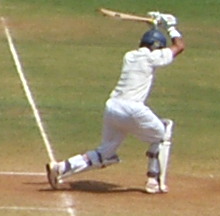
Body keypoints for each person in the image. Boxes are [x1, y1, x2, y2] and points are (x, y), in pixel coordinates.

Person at [51, 11, 182, 195]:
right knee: (163, 134)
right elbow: (179, 47)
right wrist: (171, 27)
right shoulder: (152, 58)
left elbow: (151, 46)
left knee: (106, 153)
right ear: (157, 47)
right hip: (132, 109)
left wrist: (154, 26)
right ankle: (154, 181)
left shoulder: (129, 56)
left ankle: (62, 168)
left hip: (112, 107)